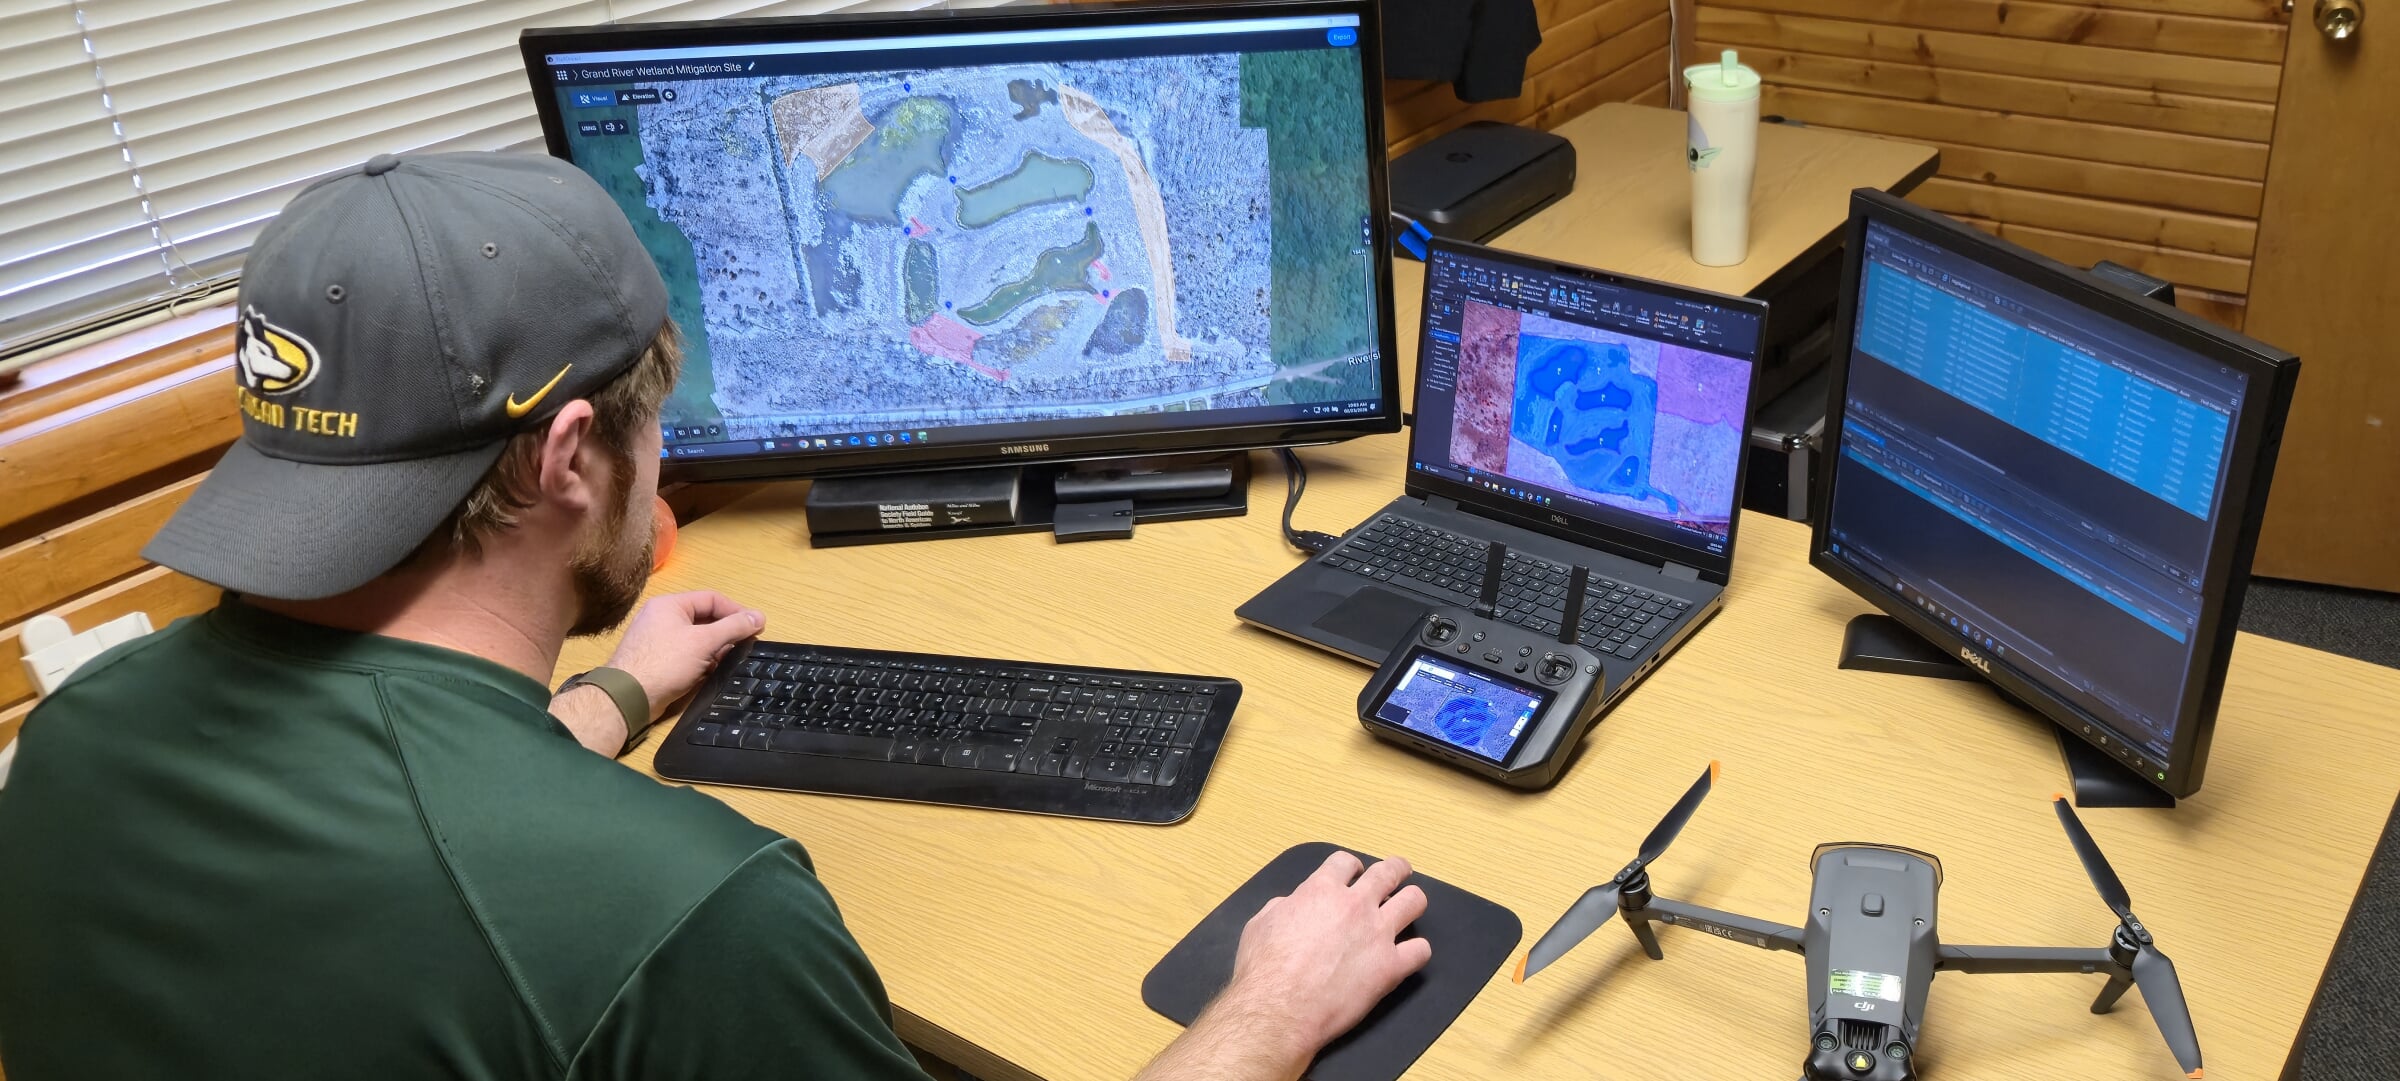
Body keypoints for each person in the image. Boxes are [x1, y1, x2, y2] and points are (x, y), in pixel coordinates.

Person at [0, 153, 1430, 1080]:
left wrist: (610, 697)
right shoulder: (690, 914)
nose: (662, 464)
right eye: (653, 426)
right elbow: (529, 902)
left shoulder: (75, 743)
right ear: (572, 459)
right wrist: (1269, 1011)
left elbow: (394, 843)